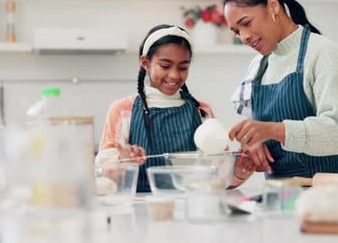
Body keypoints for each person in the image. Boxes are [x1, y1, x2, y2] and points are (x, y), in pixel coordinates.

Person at [224, 0, 338, 179]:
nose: (243, 37)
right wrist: (256, 142)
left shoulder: (323, 53)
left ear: (273, 6)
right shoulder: (259, 65)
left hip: (326, 192)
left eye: (246, 23)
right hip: (281, 195)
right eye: (236, 31)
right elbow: (260, 127)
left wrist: (273, 130)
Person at [95, 24, 253, 192]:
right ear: (145, 63)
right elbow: (103, 175)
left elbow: (218, 180)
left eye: (183, 67)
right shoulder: (122, 110)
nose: (174, 75)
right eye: (165, 66)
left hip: (191, 209)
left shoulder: (202, 111)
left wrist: (239, 172)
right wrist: (122, 160)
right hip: (139, 211)